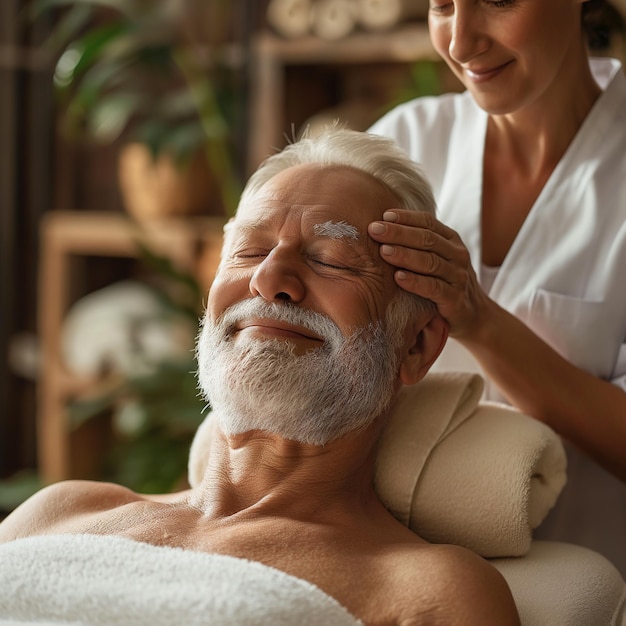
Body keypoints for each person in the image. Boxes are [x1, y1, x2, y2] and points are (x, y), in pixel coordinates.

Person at [0, 129, 520, 626]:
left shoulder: (426, 590)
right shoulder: (57, 513)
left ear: (416, 345)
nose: (269, 279)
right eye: (248, 251)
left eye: (330, 260)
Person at [367, 0, 626, 574]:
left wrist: (481, 321)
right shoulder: (403, 144)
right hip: (405, 578)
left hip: (594, 578)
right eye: (441, 5)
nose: (460, 42)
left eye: (498, 1)